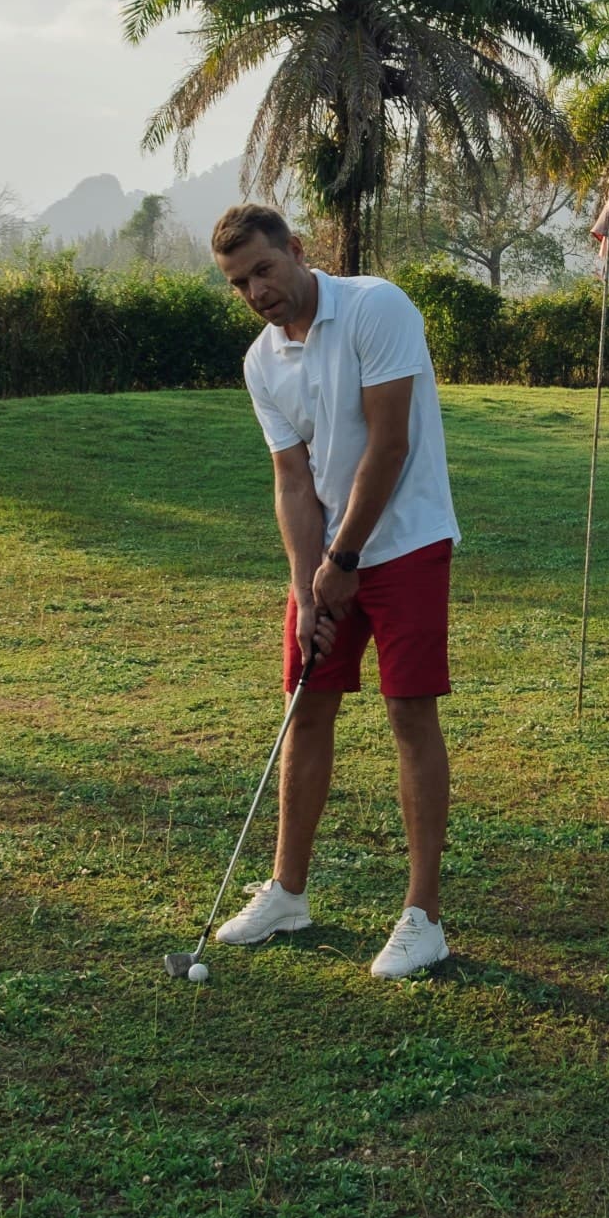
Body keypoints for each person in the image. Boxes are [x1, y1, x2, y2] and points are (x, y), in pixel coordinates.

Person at [209, 202, 459, 979]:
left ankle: (423, 917)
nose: (256, 291)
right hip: (329, 561)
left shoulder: (375, 307)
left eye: (264, 270)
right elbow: (291, 479)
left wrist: (343, 560)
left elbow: (390, 443)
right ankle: (287, 891)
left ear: (298, 250)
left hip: (407, 539)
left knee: (407, 712)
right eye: (239, 282)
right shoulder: (260, 362)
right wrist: (307, 587)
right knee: (305, 710)